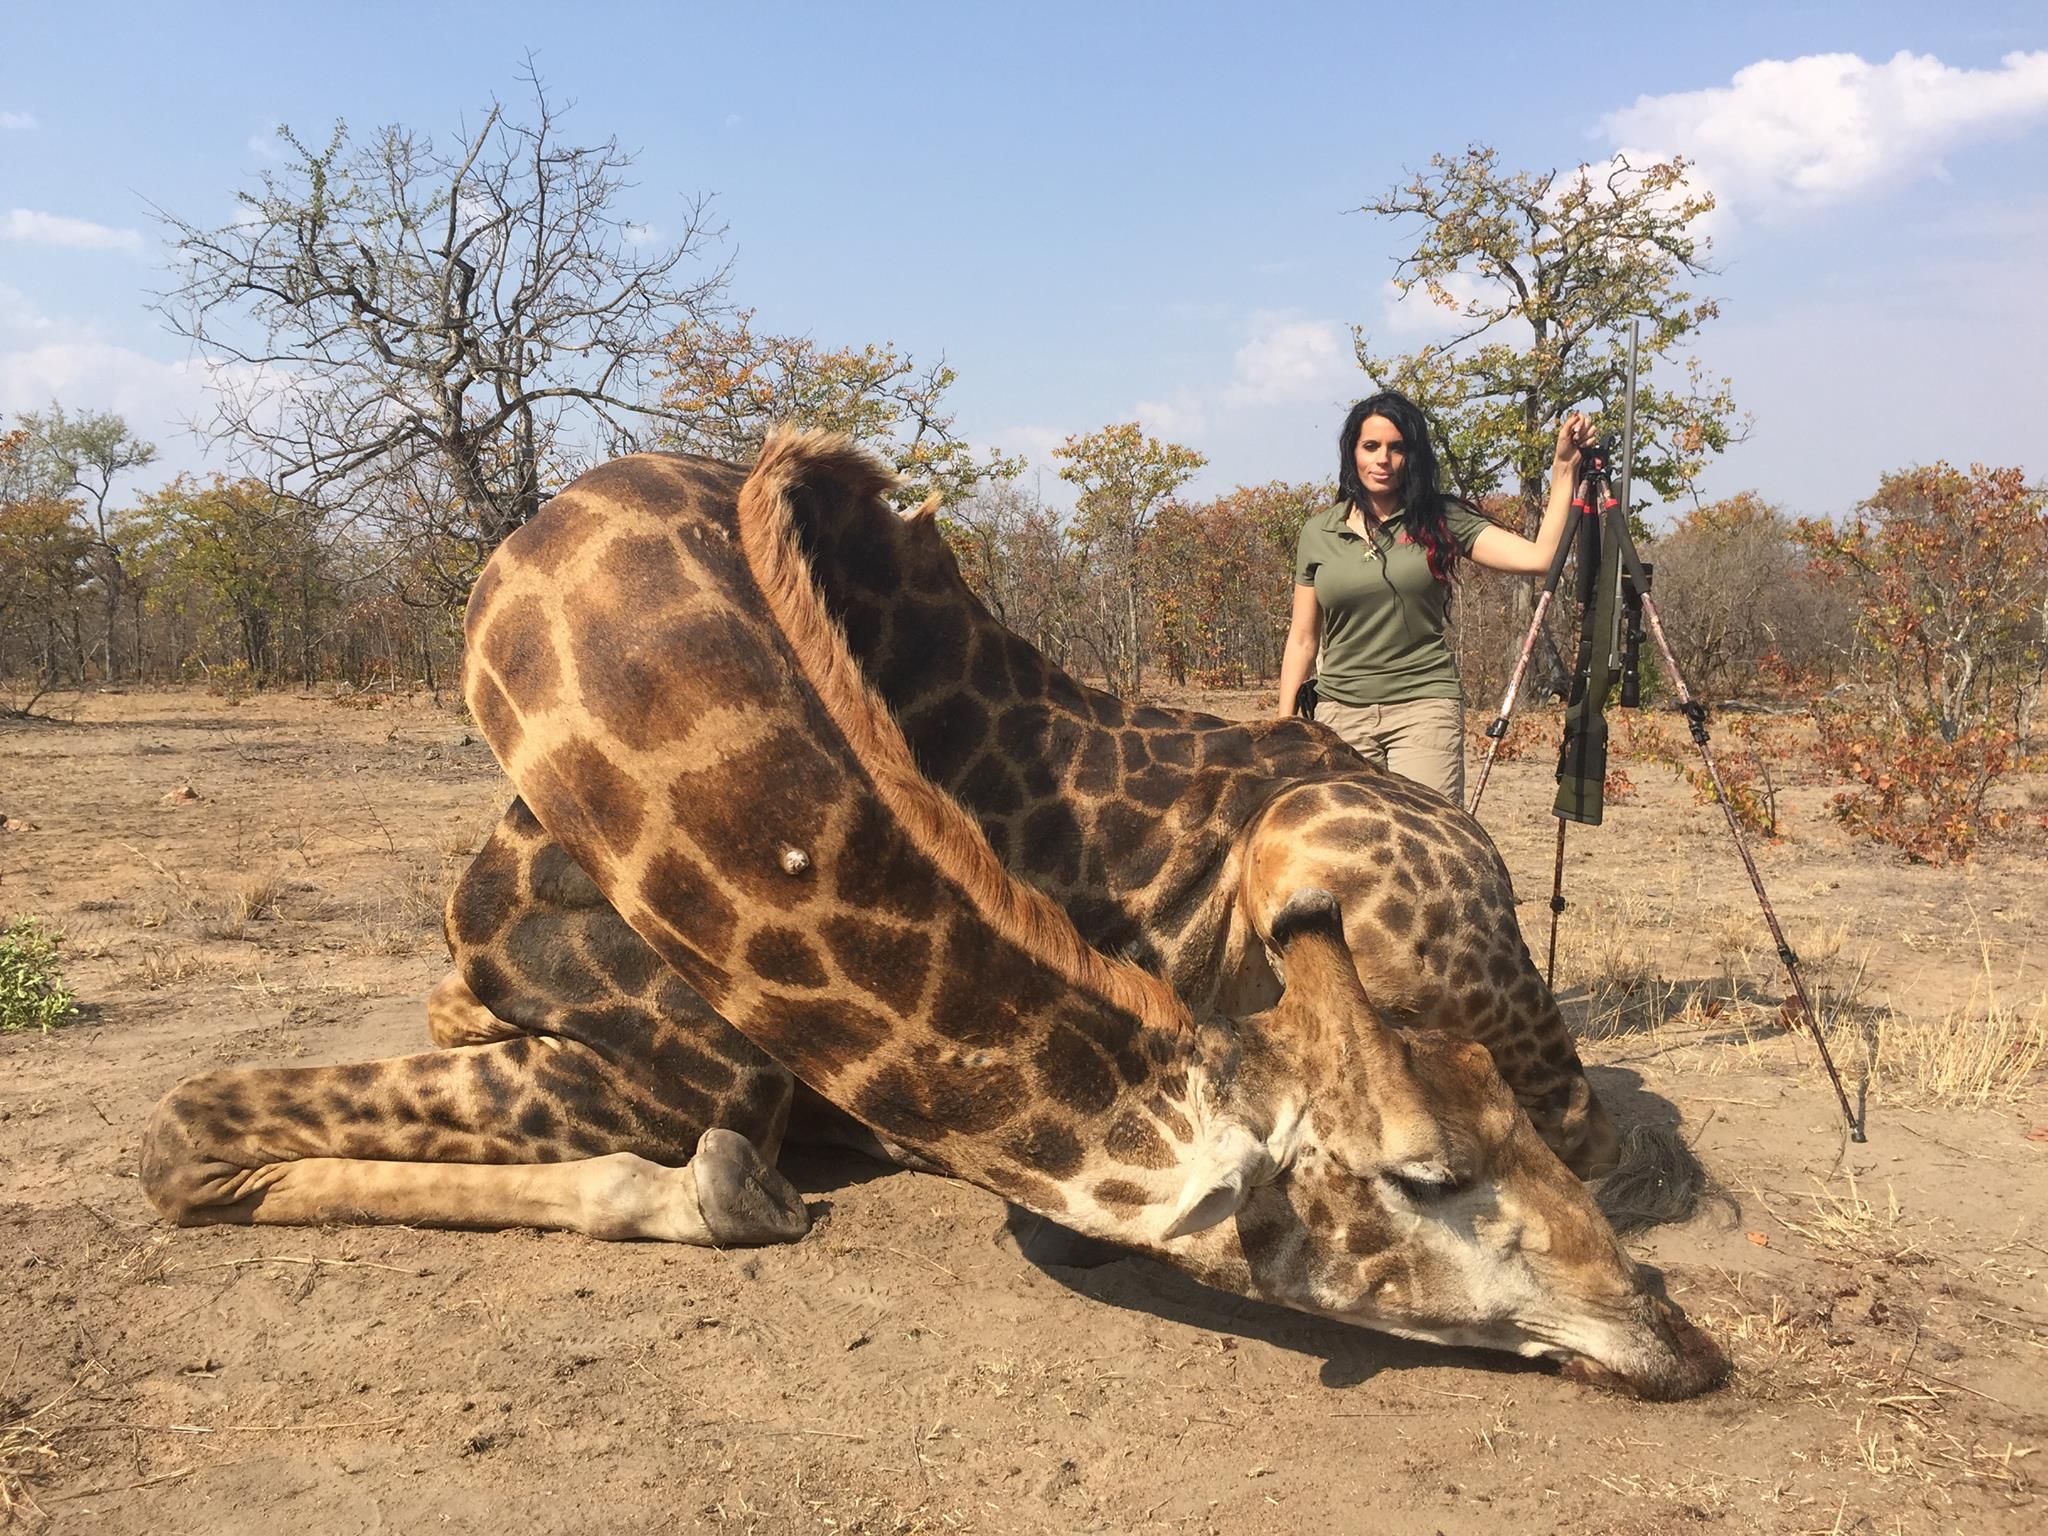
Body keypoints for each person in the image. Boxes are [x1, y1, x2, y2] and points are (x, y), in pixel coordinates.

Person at [1276, 390, 1594, 805]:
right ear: (1352, 452)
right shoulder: (1319, 532)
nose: (1382, 460)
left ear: (1413, 455)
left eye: (1396, 448)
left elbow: (1541, 557)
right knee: (1347, 854)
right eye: (1370, 446)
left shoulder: (1440, 519)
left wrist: (1564, 468)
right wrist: (1282, 729)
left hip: (1423, 709)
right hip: (1339, 714)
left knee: (1427, 845)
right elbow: (1303, 638)